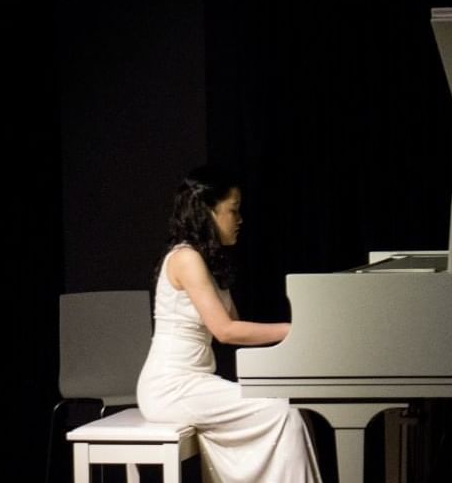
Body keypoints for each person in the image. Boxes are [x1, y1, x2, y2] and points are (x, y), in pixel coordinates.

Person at [137, 165, 321, 482]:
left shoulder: (205, 260)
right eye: (233, 211)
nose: (240, 220)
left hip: (195, 383)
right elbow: (225, 331)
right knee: (283, 414)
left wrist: (287, 339)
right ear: (208, 211)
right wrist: (294, 330)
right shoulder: (185, 258)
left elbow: (235, 328)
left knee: (289, 409)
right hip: (171, 386)